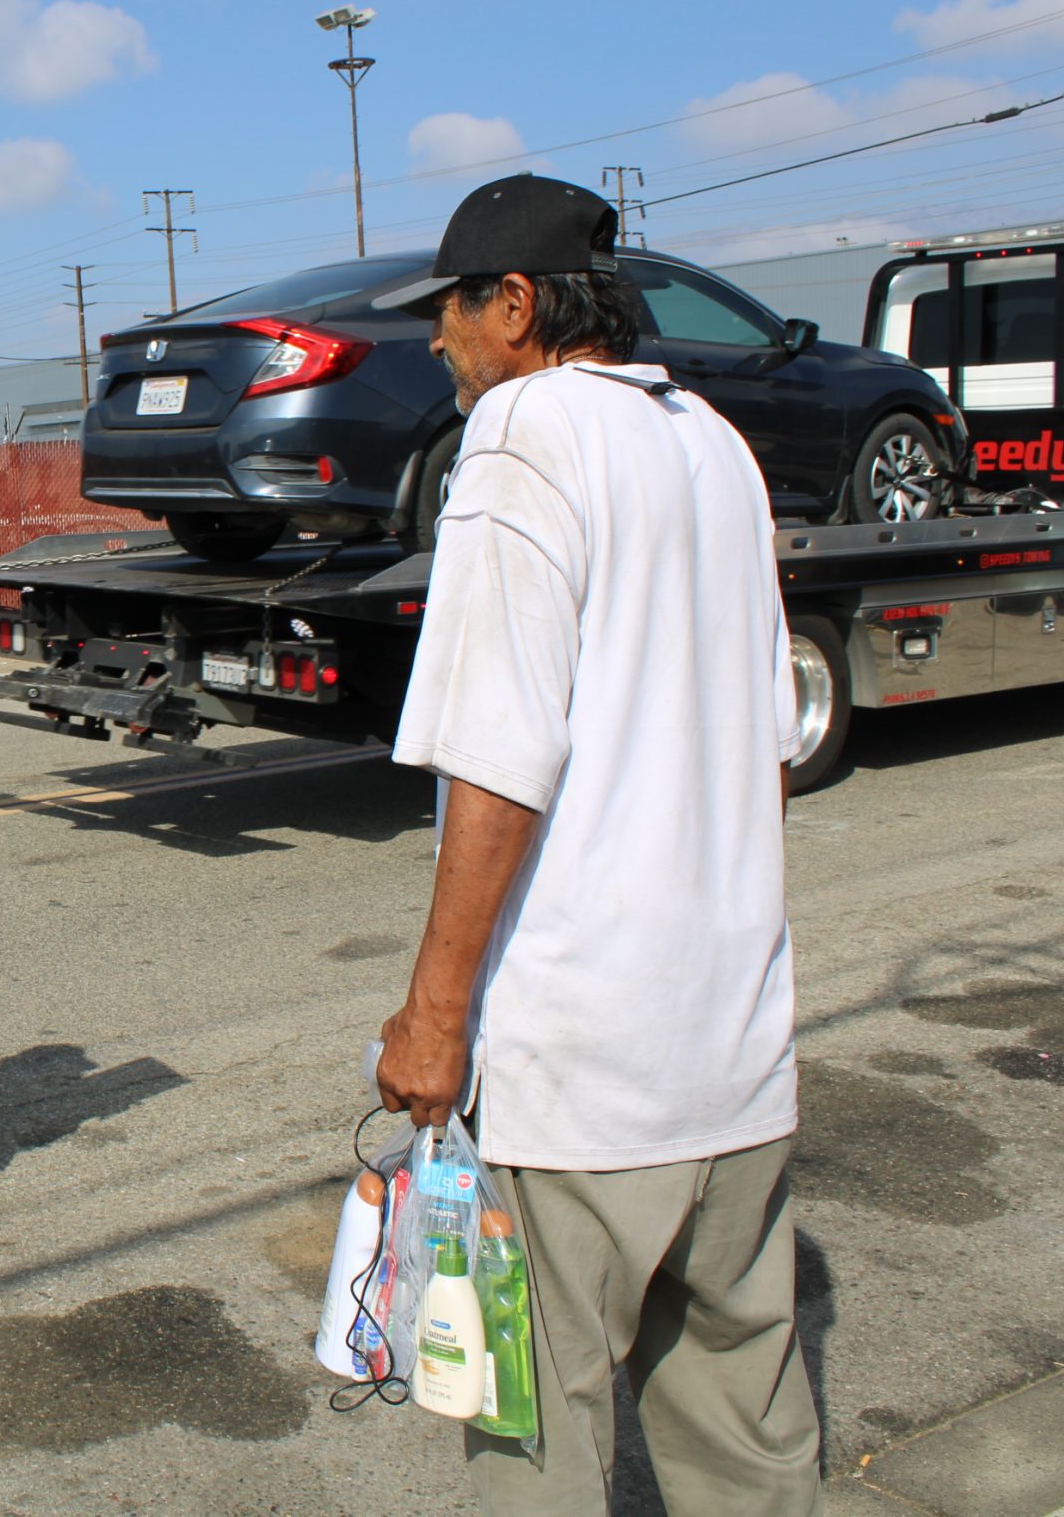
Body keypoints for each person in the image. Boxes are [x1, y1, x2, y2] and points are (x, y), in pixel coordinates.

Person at [369, 178, 822, 1514]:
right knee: (748, 1438)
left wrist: (433, 1015)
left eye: (451, 310)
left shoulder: (521, 434)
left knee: (538, 1441)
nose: (438, 340)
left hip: (581, 1075)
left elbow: (498, 756)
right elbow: (768, 748)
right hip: (733, 1057)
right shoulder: (713, 443)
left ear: (514, 303)